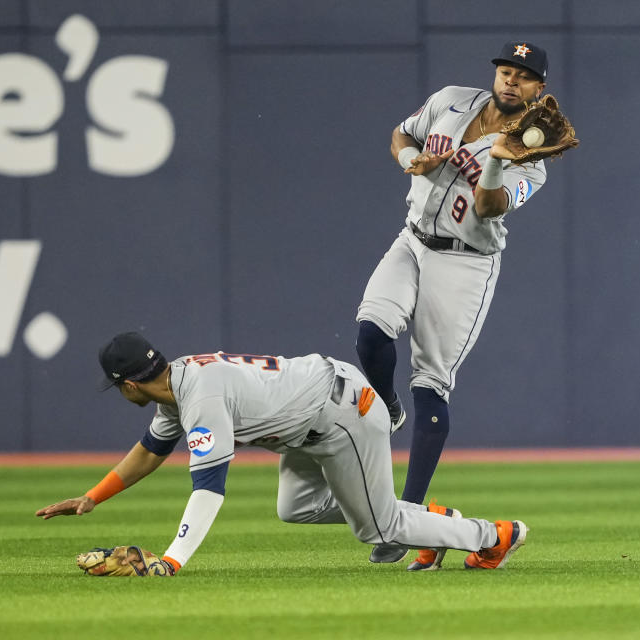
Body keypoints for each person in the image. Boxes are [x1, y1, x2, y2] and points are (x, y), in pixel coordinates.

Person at [36, 331, 527, 573]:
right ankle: (429, 519)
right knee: (295, 507)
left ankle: (493, 536)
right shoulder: (179, 382)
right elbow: (150, 450)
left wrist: (172, 560)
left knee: (377, 527)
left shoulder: (200, 398)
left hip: (342, 416)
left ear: (127, 386)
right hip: (311, 420)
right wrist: (93, 497)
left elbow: (208, 490)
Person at [355, 41, 552, 569]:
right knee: (371, 334)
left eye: (525, 76)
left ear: (539, 90)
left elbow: (489, 206)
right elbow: (403, 132)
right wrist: (407, 158)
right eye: (506, 70)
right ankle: (389, 411)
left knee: (431, 382)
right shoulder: (450, 100)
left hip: (465, 263)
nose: (512, 80)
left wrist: (498, 164)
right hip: (412, 239)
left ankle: (407, 515)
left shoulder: (533, 156)